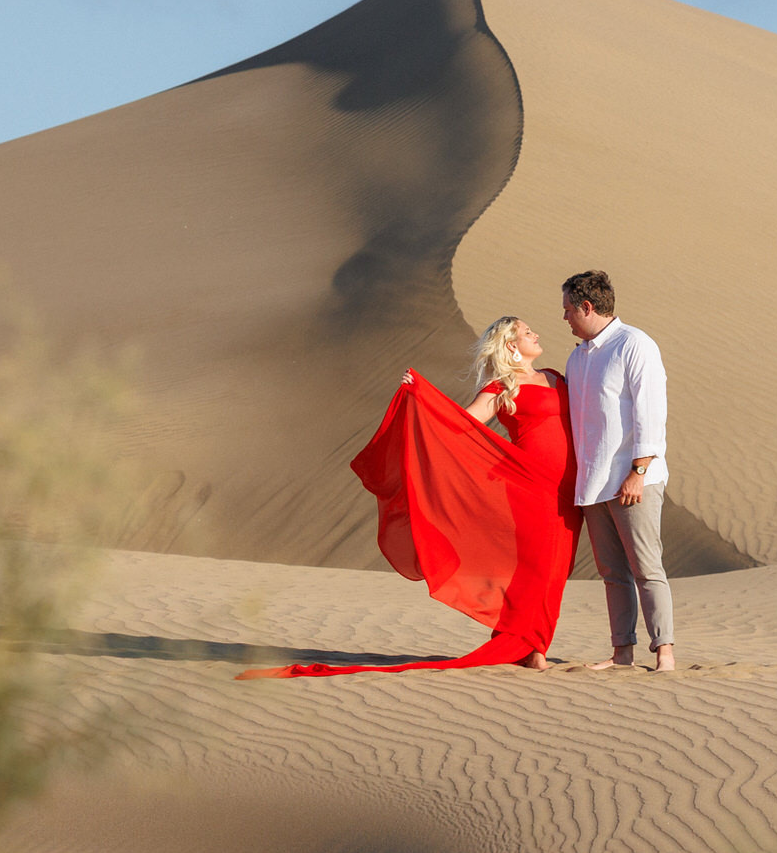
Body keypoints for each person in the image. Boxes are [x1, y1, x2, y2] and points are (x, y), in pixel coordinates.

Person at [235, 316, 582, 679]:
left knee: (558, 569)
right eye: (527, 333)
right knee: (538, 568)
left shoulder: (556, 377)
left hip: (570, 491)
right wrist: (423, 398)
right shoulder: (501, 387)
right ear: (511, 344)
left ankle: (525, 642)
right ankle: (532, 647)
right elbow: (459, 426)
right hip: (530, 490)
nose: (536, 334)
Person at [560, 270, 677, 672]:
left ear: (587, 307)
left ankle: (665, 652)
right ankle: (622, 652)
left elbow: (650, 412)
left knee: (647, 567)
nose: (565, 318)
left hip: (633, 480)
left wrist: (639, 471)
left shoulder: (635, 345)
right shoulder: (577, 357)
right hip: (593, 484)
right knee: (612, 573)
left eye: (569, 310)